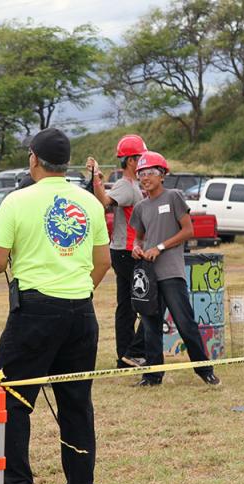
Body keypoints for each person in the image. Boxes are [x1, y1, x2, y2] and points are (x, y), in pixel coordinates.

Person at [0, 128, 110, 484]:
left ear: (34, 159)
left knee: (15, 402)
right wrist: (76, 290)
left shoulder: (17, 200)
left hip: (35, 312)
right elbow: (102, 261)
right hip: (82, 311)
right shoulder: (89, 202)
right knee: (76, 404)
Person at [129, 151, 220, 387]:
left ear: (162, 175)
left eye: (150, 173)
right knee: (150, 326)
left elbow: (188, 231)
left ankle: (204, 370)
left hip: (171, 272)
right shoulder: (140, 207)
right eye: (141, 173)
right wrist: (137, 248)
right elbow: (137, 238)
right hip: (149, 275)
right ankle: (152, 375)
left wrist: (159, 246)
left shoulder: (174, 197)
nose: (145, 177)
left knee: (184, 322)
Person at [87, 134, 147, 368]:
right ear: (131, 161)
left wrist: (97, 179)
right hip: (127, 251)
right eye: (141, 157)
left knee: (127, 306)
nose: (144, 162)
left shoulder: (130, 185)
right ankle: (133, 351)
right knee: (147, 303)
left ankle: (126, 355)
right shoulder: (125, 185)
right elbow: (104, 202)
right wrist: (96, 182)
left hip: (122, 250)